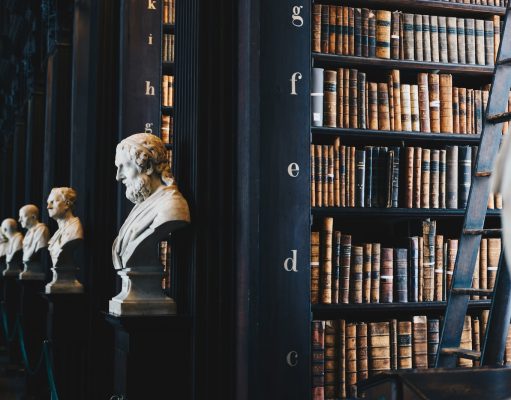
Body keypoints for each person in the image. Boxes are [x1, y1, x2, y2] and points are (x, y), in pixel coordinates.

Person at [112, 132, 190, 270]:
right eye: (118, 168)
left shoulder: (172, 206)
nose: (118, 177)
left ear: (148, 167)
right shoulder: (143, 205)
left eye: (125, 166)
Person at [47, 187, 84, 266]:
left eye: (52, 202)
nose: (48, 207)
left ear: (66, 204)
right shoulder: (58, 232)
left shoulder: (74, 229)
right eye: (48, 203)